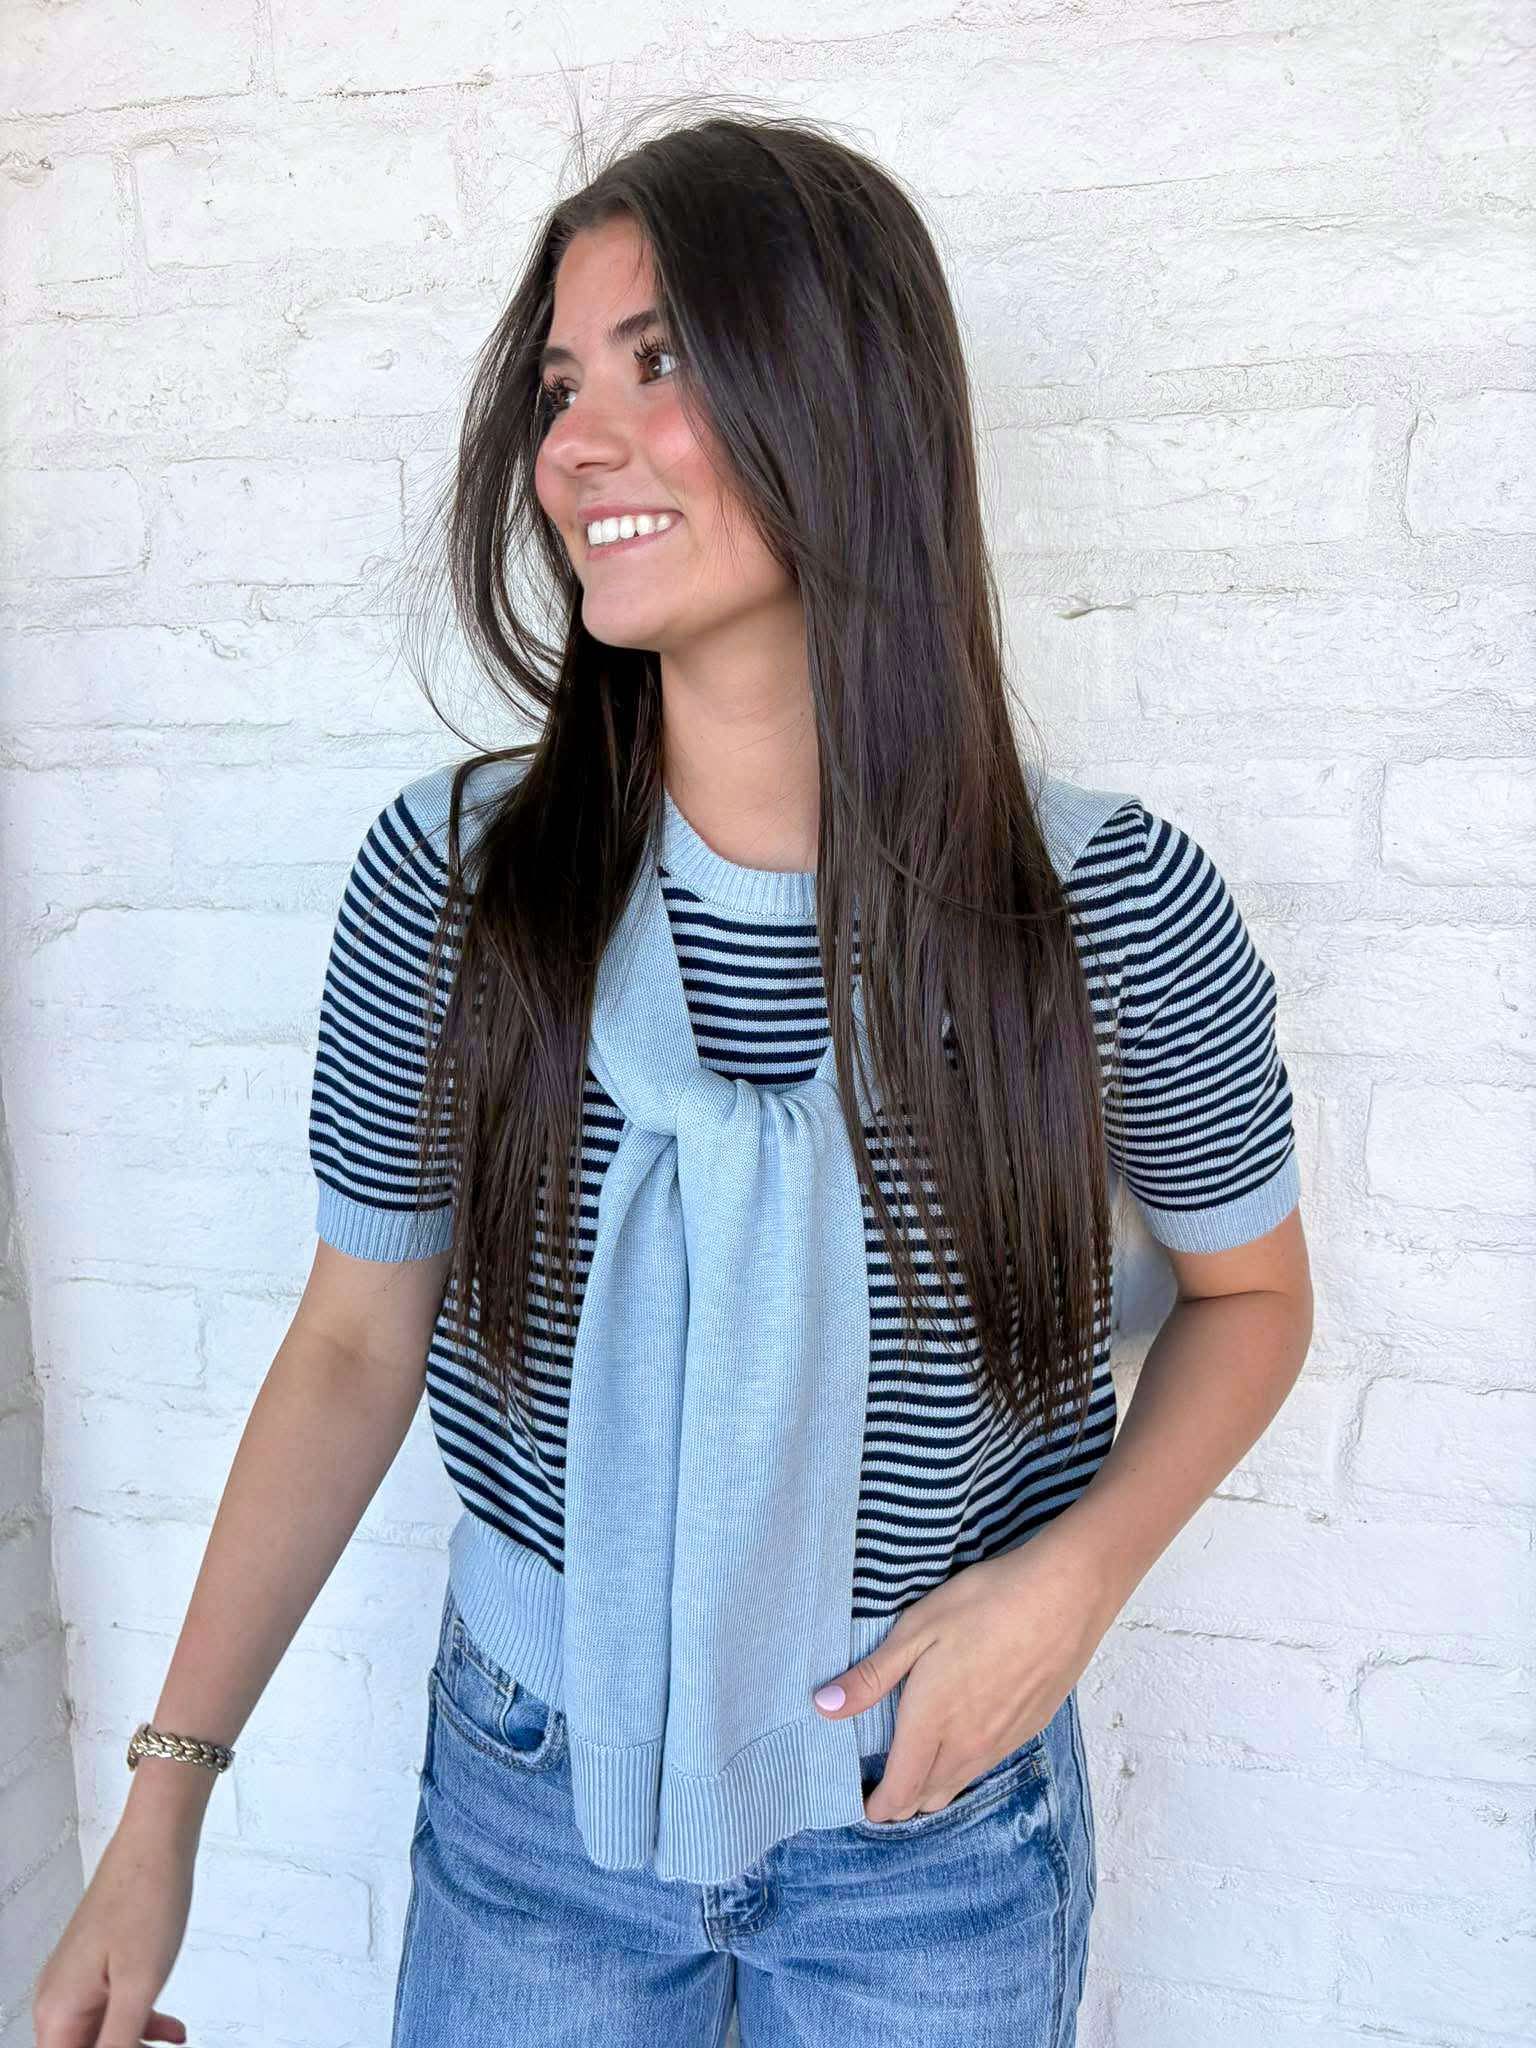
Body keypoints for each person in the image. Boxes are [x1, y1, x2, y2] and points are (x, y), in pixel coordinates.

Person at [32, 108, 1313, 2048]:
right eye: (561, 384)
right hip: (531, 1799)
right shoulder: (455, 889)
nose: (576, 443)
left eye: (664, 362)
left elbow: (1252, 1299)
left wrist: (1071, 1590)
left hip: (933, 1818)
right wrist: (164, 1804)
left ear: (846, 404)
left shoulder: (1105, 909)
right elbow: (355, 1344)